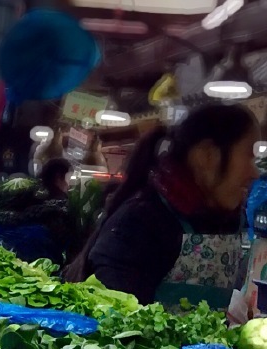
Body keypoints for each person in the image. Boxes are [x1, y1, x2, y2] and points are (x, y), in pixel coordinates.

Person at [68, 104, 260, 306]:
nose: (254, 173)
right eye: (249, 155)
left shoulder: (224, 220)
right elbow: (112, 322)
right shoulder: (140, 224)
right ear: (207, 156)